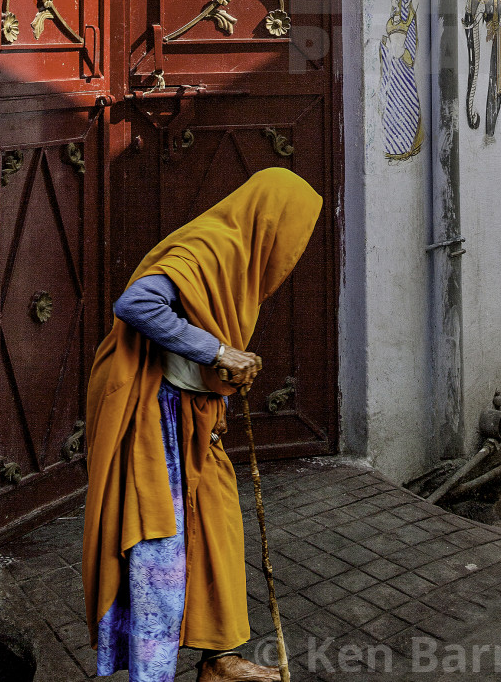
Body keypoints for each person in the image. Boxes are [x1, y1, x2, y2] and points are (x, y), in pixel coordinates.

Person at [82, 168, 322, 682]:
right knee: (157, 550)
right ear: (268, 222)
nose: (291, 250)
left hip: (194, 420)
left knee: (217, 526)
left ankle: (219, 660)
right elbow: (136, 303)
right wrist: (217, 351)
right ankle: (152, 673)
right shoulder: (211, 245)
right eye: (292, 234)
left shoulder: (239, 261)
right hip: (151, 420)